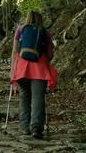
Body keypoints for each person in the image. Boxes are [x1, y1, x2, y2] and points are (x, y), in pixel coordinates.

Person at [9, 10, 58, 138]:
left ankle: (25, 127)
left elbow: (14, 51)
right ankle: (36, 128)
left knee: (24, 97)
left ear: (27, 18)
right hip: (39, 69)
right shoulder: (44, 32)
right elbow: (50, 54)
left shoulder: (20, 29)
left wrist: (12, 70)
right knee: (38, 97)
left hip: (22, 69)